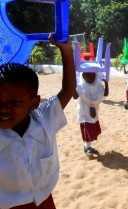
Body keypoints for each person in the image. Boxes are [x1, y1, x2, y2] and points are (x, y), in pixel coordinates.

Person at [0, 34, 75, 209]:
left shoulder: (44, 119)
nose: (4, 109)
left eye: (14, 102)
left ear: (34, 103)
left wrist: (66, 50)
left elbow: (68, 89)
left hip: (43, 202)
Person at [73, 72, 109, 156]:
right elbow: (75, 97)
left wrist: (106, 83)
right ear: (83, 75)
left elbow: (105, 94)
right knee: (87, 131)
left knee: (91, 130)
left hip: (94, 113)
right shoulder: (80, 87)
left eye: (93, 74)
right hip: (84, 113)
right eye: (87, 74)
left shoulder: (98, 86)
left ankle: (88, 147)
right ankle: (87, 147)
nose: (91, 77)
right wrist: (73, 86)